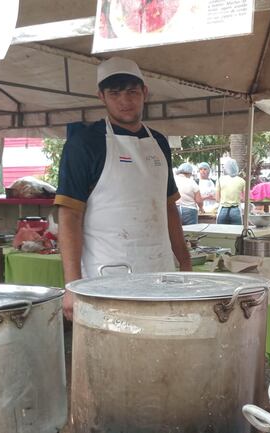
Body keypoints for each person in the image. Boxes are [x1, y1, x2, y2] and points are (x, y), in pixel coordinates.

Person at [55, 57, 191, 320]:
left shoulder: (159, 143)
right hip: (108, 275)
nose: (124, 101)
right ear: (101, 97)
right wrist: (72, 286)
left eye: (132, 92)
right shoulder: (84, 144)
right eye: (114, 93)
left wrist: (184, 263)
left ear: (144, 93)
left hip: (160, 271)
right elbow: (69, 216)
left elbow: (167, 207)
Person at [216, 159, 246, 225]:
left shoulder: (221, 179)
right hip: (236, 210)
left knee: (221, 232)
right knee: (236, 233)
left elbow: (217, 199)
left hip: (222, 210)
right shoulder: (242, 181)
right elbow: (245, 199)